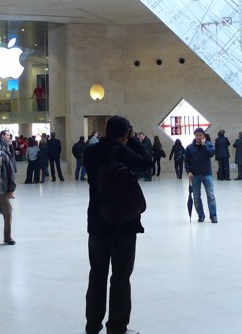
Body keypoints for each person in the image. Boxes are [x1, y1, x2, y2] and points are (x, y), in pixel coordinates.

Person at [83, 116, 150, 334]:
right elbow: (146, 162)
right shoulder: (121, 151)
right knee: (121, 277)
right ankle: (117, 327)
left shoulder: (91, 151)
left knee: (97, 275)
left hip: (97, 222)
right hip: (124, 224)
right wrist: (133, 140)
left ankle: (93, 326)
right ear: (125, 133)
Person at [184, 127, 217, 223]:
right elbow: (186, 161)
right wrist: (188, 171)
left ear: (204, 136)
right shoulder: (189, 147)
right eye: (197, 135)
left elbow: (211, 154)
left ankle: (213, 216)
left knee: (210, 196)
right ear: (194, 136)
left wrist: (204, 145)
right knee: (196, 197)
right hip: (194, 175)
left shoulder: (209, 145)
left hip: (207, 174)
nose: (198, 137)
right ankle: (201, 215)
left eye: (200, 135)